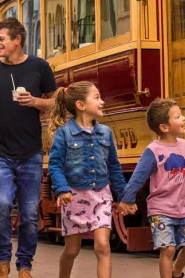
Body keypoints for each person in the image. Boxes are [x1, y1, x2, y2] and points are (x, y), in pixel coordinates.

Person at [0, 18, 57, 278]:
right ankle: (2, 261)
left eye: (1, 39)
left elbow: (54, 103)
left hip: (30, 151)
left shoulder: (39, 67)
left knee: (30, 212)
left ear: (17, 40)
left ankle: (25, 266)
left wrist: (35, 102)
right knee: (3, 203)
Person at [118, 98, 185, 278]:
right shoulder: (153, 151)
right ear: (164, 127)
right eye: (178, 116)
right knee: (168, 248)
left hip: (184, 210)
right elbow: (137, 178)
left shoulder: (183, 146)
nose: (184, 119)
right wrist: (127, 199)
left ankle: (175, 273)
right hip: (160, 210)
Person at [47, 81, 126, 278]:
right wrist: (62, 189)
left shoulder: (106, 133)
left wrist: (126, 197)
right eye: (97, 97)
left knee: (102, 246)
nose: (102, 102)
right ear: (81, 105)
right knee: (72, 251)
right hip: (73, 198)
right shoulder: (64, 134)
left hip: (101, 196)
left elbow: (114, 167)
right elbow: (55, 165)